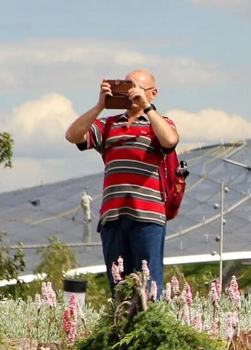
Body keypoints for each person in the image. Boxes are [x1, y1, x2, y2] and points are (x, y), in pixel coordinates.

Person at [64, 69, 179, 296]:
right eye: (127, 88)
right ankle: (120, 325)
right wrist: (100, 106)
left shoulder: (159, 123)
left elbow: (170, 140)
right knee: (119, 285)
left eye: (137, 88)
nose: (131, 94)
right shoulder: (108, 125)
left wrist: (147, 107)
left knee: (149, 284)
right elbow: (73, 136)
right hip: (114, 216)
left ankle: (149, 327)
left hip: (148, 215)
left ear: (153, 93)